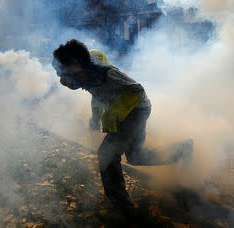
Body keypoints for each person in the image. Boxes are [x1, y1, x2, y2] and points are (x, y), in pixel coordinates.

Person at [52, 39, 193, 217]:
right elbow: (97, 94)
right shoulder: (84, 71)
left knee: (107, 154)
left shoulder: (107, 74)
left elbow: (137, 91)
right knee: (135, 156)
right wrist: (96, 116)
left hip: (135, 110)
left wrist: (112, 115)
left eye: (63, 70)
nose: (62, 77)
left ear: (75, 63)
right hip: (129, 110)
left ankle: (123, 208)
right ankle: (182, 150)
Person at [88, 49, 112, 131]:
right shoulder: (93, 54)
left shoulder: (110, 71)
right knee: (96, 113)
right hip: (98, 89)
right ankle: (95, 130)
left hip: (108, 88)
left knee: (109, 114)